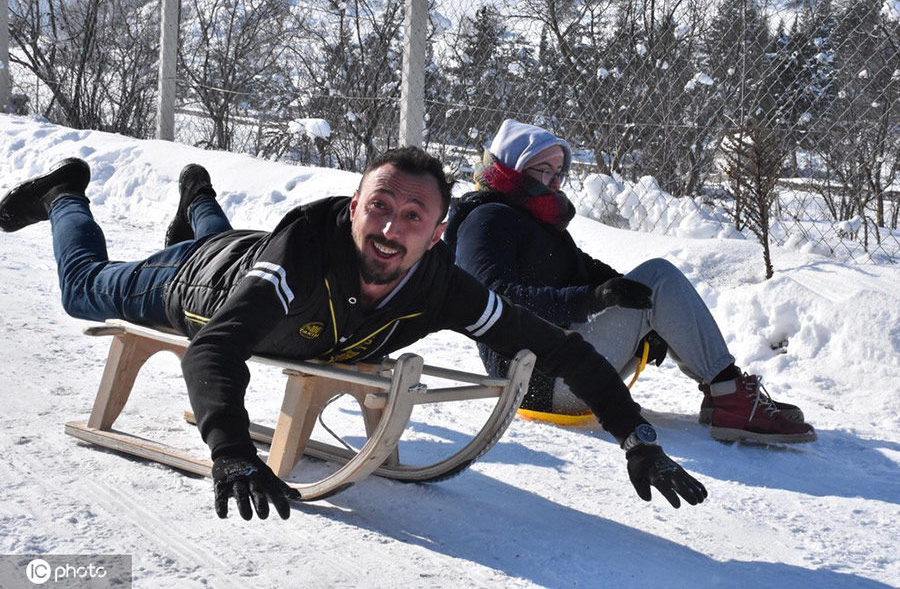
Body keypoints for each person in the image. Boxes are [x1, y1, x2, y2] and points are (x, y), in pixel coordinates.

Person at [0, 147, 707, 521]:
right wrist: (234, 452)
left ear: (438, 234)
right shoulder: (308, 250)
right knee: (83, 287)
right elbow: (217, 346)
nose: (390, 226)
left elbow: (556, 346)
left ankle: (199, 201)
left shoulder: (444, 285)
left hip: (249, 253)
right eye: (380, 206)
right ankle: (65, 192)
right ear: (355, 204)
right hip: (198, 287)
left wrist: (634, 434)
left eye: (412, 215)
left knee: (233, 250)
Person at [445, 119, 816, 444]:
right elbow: (492, 299)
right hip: (538, 381)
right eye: (546, 171)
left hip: (561, 365)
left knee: (651, 284)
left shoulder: (529, 218)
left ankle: (724, 393)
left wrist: (630, 301)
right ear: (516, 170)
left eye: (561, 173)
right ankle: (730, 396)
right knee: (659, 277)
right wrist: (592, 300)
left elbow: (583, 269)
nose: (556, 183)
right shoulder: (488, 220)